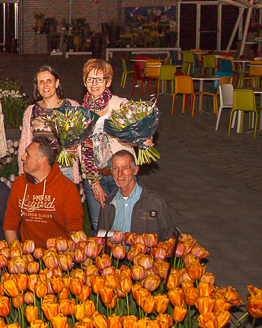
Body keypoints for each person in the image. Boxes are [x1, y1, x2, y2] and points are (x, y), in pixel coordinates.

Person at [78, 59, 152, 230]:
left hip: (121, 172)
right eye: (90, 79)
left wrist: (144, 139)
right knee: (100, 226)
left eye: (99, 79)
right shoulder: (80, 112)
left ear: (108, 81)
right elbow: (82, 150)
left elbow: (142, 127)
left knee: (126, 224)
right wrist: (94, 182)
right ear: (84, 81)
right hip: (94, 176)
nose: (94, 84)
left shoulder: (121, 105)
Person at [4, 138, 84, 247]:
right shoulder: (20, 184)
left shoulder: (67, 187)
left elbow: (75, 226)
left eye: (27, 154)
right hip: (29, 256)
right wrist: (15, 251)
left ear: (42, 160)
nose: (23, 158)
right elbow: (10, 222)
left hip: (58, 256)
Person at [18, 65, 81, 184]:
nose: (45, 85)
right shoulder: (32, 111)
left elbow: (83, 139)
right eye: (41, 82)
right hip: (39, 170)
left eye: (49, 81)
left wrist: (75, 149)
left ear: (57, 83)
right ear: (37, 86)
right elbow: (25, 144)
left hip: (65, 169)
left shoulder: (72, 107)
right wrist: (23, 171)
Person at [96, 151, 175, 240]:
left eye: (125, 168)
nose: (120, 173)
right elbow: (101, 240)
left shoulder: (155, 202)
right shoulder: (108, 204)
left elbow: (169, 238)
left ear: (135, 170)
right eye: (115, 168)